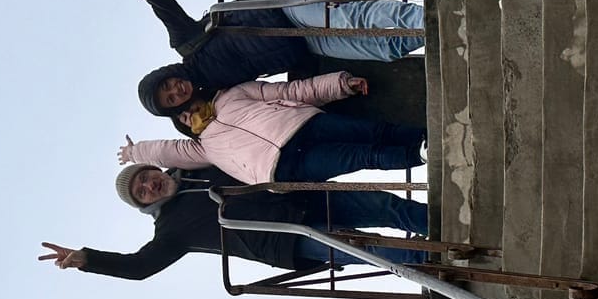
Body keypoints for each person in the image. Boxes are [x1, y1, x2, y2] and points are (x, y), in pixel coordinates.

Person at [73, 0, 423, 92]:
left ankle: (431, 17)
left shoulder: (186, 42)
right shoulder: (214, 92)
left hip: (280, 6)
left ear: (169, 74)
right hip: (302, 45)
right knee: (380, 49)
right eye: (170, 98)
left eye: (168, 86)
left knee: (352, 20)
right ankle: (432, 33)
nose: (175, 91)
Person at [38, 164, 430, 280]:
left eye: (145, 177)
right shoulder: (171, 230)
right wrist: (88, 259)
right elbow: (141, 267)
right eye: (142, 192)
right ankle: (437, 264)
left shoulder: (194, 166)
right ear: (145, 203)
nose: (149, 185)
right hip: (282, 238)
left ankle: (442, 225)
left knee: (383, 205)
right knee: (365, 249)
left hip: (299, 198)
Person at [118, 67, 423, 185]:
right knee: (362, 157)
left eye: (191, 110)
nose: (191, 116)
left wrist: (340, 84)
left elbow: (290, 91)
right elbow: (166, 151)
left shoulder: (232, 95)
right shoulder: (204, 148)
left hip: (302, 123)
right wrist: (134, 153)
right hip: (282, 168)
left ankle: (427, 139)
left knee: (375, 132)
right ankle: (421, 156)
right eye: (184, 120)